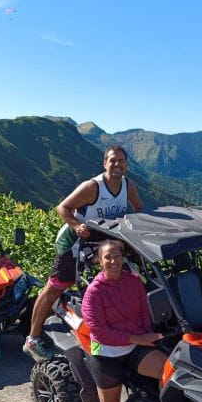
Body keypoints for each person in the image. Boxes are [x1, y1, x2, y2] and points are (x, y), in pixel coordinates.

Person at [23, 145, 142, 362]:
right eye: (112, 160)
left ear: (126, 164)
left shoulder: (128, 185)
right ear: (104, 163)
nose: (117, 164)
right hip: (74, 243)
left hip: (101, 246)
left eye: (121, 161)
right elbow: (63, 207)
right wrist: (77, 225)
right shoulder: (93, 187)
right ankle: (33, 339)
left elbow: (138, 211)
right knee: (56, 287)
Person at [81, 239, 166, 402]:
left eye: (117, 255)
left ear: (123, 257)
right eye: (108, 257)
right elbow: (100, 333)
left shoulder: (133, 282)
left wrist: (146, 336)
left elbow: (143, 313)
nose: (114, 260)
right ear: (100, 261)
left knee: (168, 371)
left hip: (135, 345)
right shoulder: (94, 292)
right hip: (106, 353)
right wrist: (138, 338)